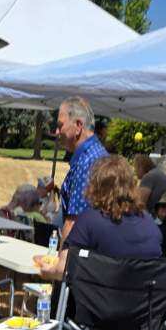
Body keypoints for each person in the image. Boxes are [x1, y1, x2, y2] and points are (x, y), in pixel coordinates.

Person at [33, 155, 162, 282]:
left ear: (95, 186)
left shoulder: (89, 221)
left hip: (99, 294)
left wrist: (47, 270)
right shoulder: (151, 225)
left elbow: (63, 269)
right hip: (141, 294)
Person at [56, 96, 108, 245]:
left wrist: (60, 258)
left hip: (82, 252)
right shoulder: (95, 154)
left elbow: (74, 224)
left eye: (60, 125)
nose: (57, 131)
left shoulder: (87, 162)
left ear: (78, 126)